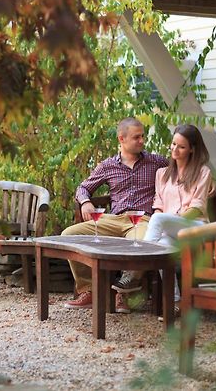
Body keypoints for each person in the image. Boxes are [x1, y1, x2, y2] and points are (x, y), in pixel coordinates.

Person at [62, 117, 168, 311]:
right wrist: (85, 202)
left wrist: (208, 181)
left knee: (144, 244)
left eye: (142, 136)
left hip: (141, 220)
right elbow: (83, 187)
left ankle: (123, 293)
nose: (142, 141)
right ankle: (90, 291)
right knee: (69, 235)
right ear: (122, 139)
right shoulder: (107, 166)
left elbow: (184, 169)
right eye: (137, 137)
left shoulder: (156, 162)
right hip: (113, 220)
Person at [112, 124, 213, 317]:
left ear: (192, 148)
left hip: (194, 228)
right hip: (171, 231)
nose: (175, 149)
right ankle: (176, 302)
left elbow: (197, 207)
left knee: (158, 218)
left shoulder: (202, 172)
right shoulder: (162, 174)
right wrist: (166, 223)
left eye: (181, 147)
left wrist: (170, 220)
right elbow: (158, 204)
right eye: (173, 144)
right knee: (162, 248)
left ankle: (134, 271)